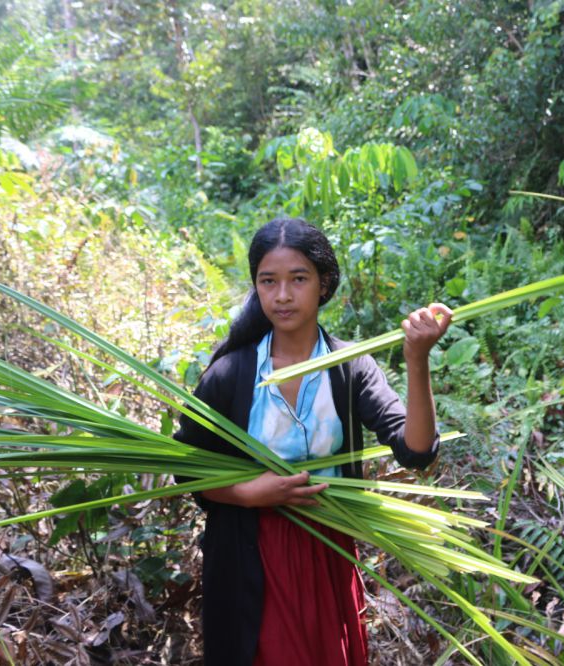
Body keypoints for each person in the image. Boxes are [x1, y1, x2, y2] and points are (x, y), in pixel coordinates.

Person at [174, 217, 453, 666]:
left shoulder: (350, 369)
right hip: (250, 555)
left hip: (327, 549)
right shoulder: (230, 376)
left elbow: (416, 451)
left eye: (298, 279)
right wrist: (249, 494)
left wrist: (416, 360)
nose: (282, 295)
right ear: (257, 287)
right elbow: (186, 470)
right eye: (269, 281)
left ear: (323, 284)